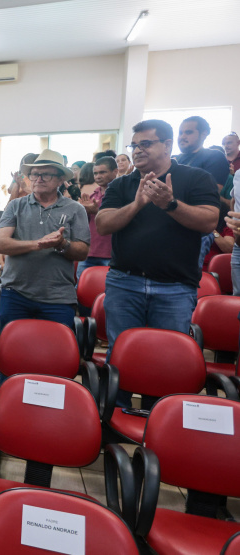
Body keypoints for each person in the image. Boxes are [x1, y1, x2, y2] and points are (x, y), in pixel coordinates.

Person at [95, 120, 219, 406]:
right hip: (125, 283)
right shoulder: (123, 184)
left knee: (166, 357)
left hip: (175, 287)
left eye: (145, 144)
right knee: (122, 352)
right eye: (134, 145)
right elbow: (103, 224)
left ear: (167, 145)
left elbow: (209, 221)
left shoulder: (195, 178)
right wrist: (137, 204)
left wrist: (170, 204)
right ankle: (117, 414)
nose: (137, 150)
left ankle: (160, 418)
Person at [0, 149, 90, 337]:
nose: (38, 178)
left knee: (56, 353)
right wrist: (38, 244)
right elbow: (0, 244)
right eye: (35, 174)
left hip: (58, 297)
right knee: (12, 350)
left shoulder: (75, 209)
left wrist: (62, 244)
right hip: (16, 294)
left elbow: (82, 251)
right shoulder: (16, 206)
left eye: (46, 174)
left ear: (60, 179)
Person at [76, 156, 117, 280]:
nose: (98, 176)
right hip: (91, 252)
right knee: (81, 291)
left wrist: (96, 211)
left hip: (112, 254)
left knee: (109, 291)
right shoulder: (92, 195)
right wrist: (84, 211)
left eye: (102, 172)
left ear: (115, 172)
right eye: (95, 173)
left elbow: (117, 220)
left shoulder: (121, 193)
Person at [177, 116, 230, 193]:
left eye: (188, 132)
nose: (182, 137)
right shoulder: (176, 158)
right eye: (180, 133)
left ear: (203, 134)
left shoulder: (215, 157)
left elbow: (209, 193)